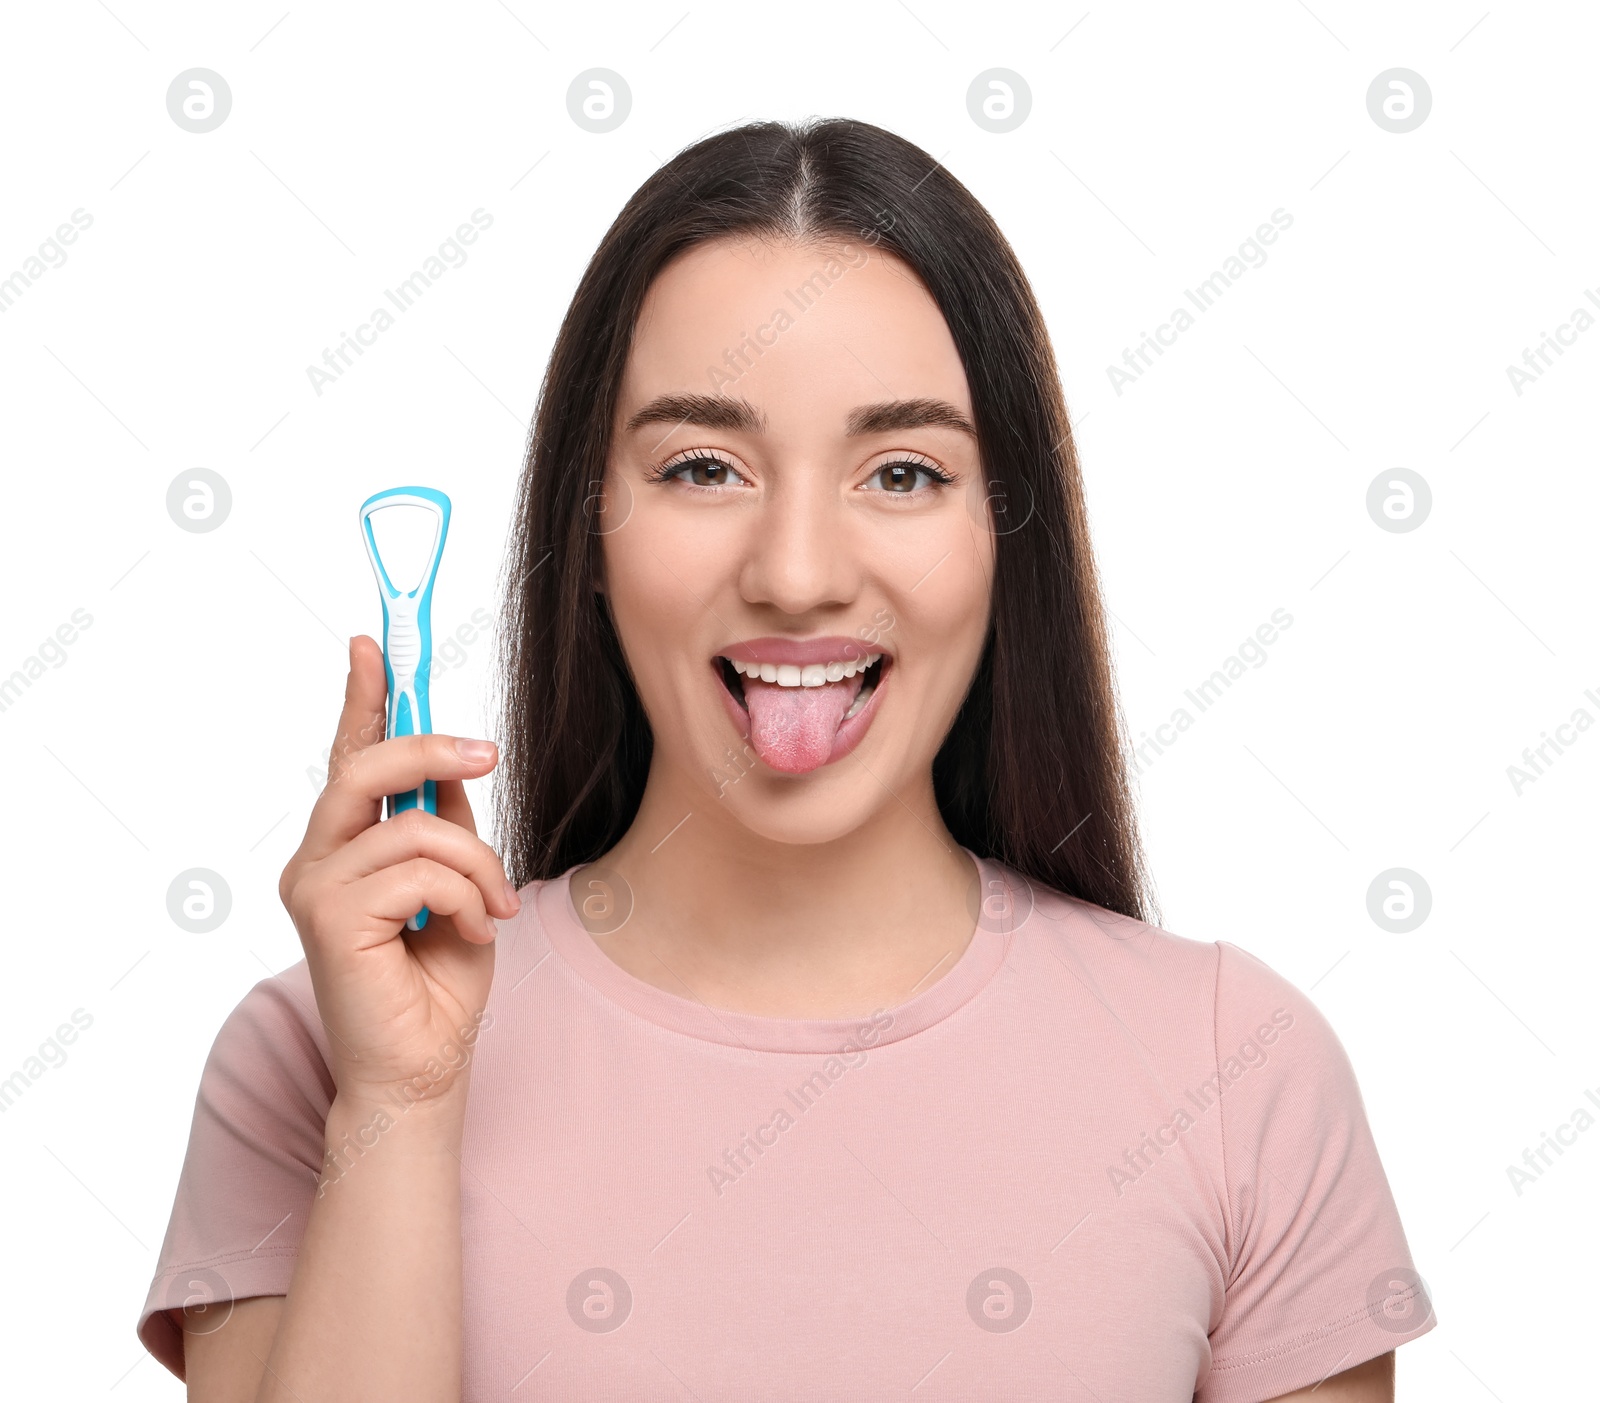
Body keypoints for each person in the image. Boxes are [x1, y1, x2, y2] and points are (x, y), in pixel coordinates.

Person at [137, 117, 1435, 1401]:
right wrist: (403, 1112)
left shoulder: (1236, 1069)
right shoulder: (317, 1054)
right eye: (704, 466)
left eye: (905, 472)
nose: (799, 573)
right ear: (591, 526)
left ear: (1005, 530)